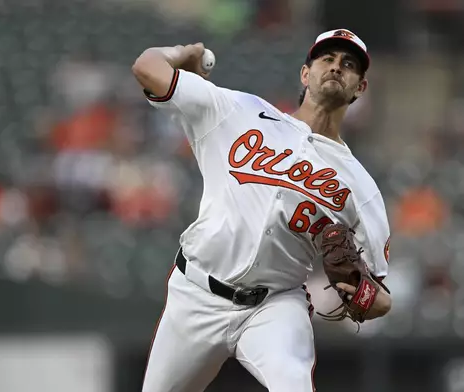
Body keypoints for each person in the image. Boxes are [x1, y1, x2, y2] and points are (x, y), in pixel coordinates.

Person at [132, 28, 392, 392]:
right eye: (327, 59)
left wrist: (360, 294)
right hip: (195, 294)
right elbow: (147, 67)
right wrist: (181, 52)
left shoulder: (360, 186)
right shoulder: (239, 110)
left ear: (359, 88)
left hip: (273, 307)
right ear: (305, 74)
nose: (336, 67)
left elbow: (380, 298)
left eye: (349, 65)